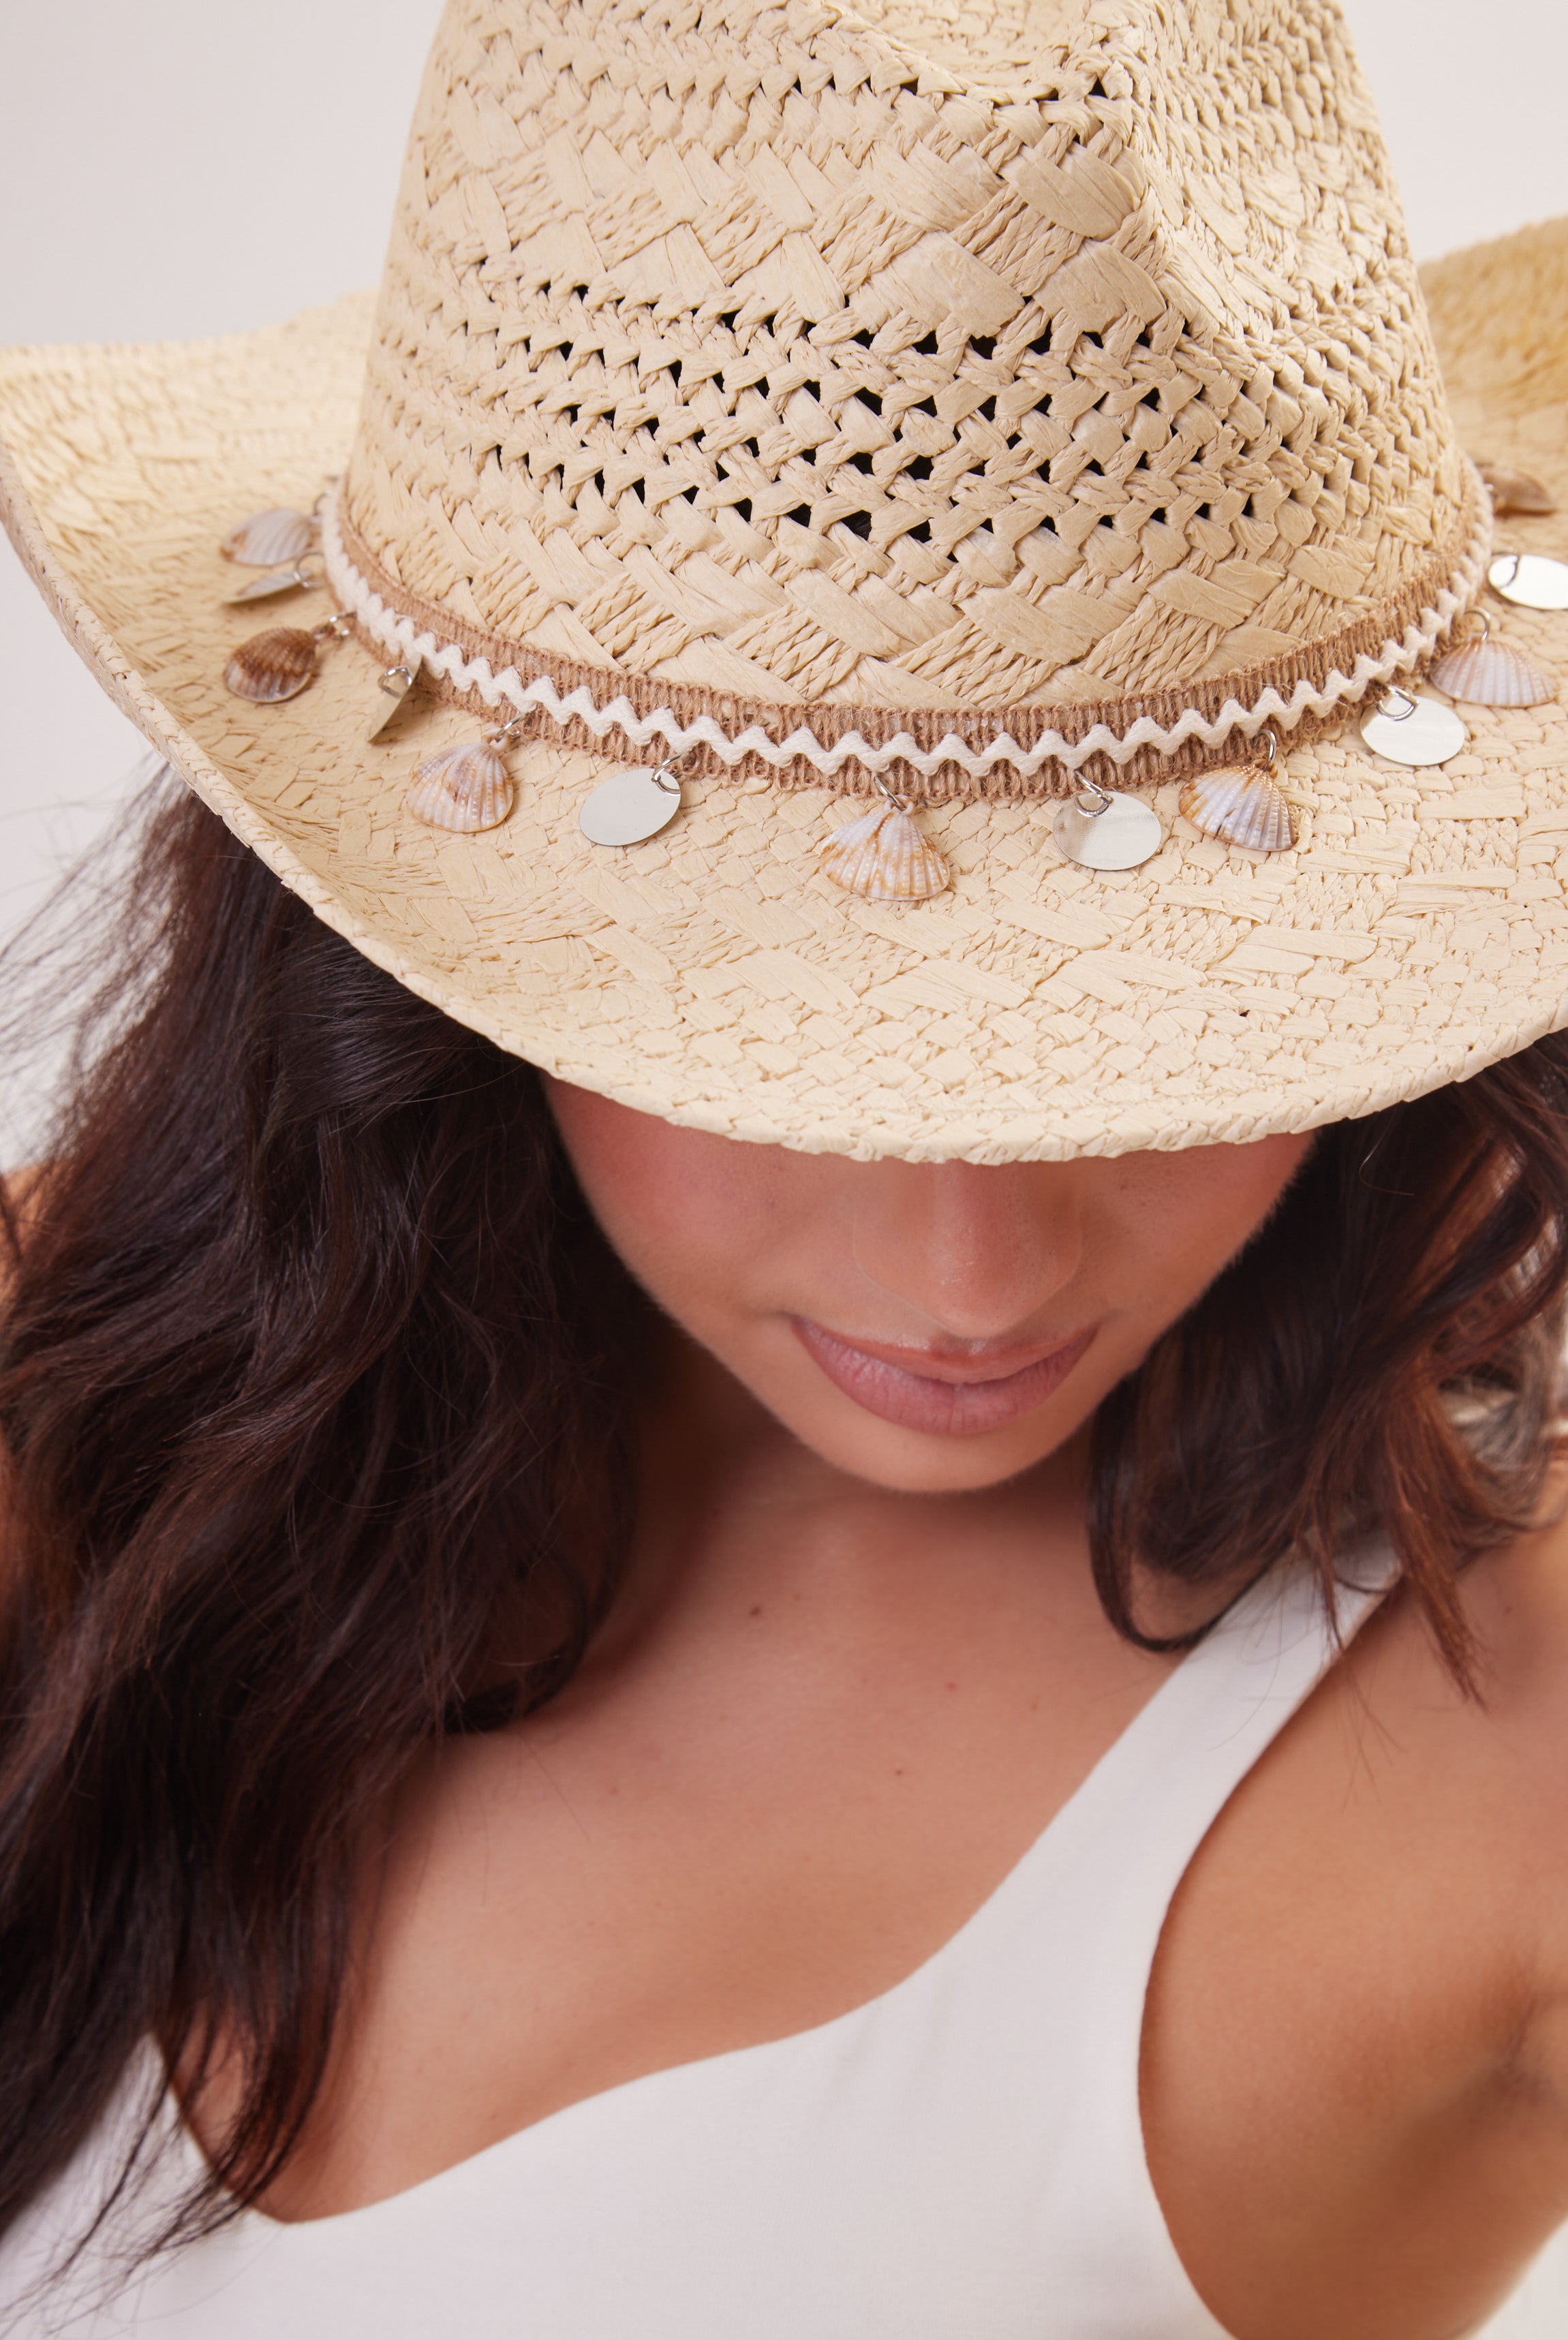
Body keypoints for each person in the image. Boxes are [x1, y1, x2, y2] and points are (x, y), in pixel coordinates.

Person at [2, 0, 1568, 2331]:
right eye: (781, 1054)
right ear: (435, 953)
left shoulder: (1500, 1743)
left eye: (1152, 1039)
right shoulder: (86, 1393)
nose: (973, 1270)